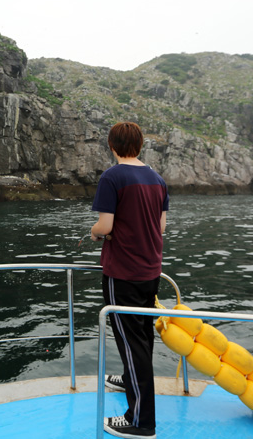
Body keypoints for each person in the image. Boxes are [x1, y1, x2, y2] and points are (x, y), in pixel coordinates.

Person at [90, 121, 169, 439]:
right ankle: (129, 377)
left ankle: (141, 422)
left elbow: (105, 225)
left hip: (122, 272)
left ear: (112, 146)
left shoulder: (112, 177)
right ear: (140, 145)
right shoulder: (158, 179)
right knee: (142, 336)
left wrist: (94, 232)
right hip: (150, 271)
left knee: (130, 339)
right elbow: (161, 227)